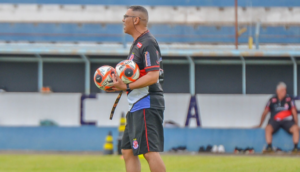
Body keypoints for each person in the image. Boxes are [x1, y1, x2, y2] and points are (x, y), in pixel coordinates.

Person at [111, 6, 166, 172]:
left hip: (147, 104)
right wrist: (117, 83)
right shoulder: (137, 43)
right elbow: (138, 75)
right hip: (137, 104)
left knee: (149, 152)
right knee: (128, 151)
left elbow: (152, 76)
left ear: (135, 20)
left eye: (125, 16)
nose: (122, 20)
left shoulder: (148, 42)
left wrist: (126, 86)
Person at [255, 82, 299, 153]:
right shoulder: (272, 100)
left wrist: (296, 124)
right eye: (282, 90)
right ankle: (269, 148)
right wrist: (260, 124)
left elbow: (294, 112)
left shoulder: (289, 100)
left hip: (287, 121)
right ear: (277, 91)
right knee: (268, 128)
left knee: (295, 128)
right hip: (274, 121)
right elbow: (265, 113)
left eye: (285, 90)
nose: (284, 92)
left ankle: (296, 148)